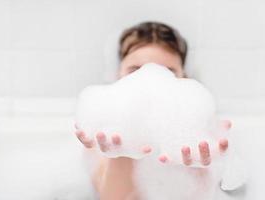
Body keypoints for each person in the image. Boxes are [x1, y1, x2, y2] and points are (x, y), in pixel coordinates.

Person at [74, 21, 231, 200]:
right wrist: (121, 156)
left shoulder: (198, 132)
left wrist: (202, 171)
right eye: (135, 71)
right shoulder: (100, 131)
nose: (149, 80)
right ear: (118, 75)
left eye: (167, 71)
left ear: (184, 78)